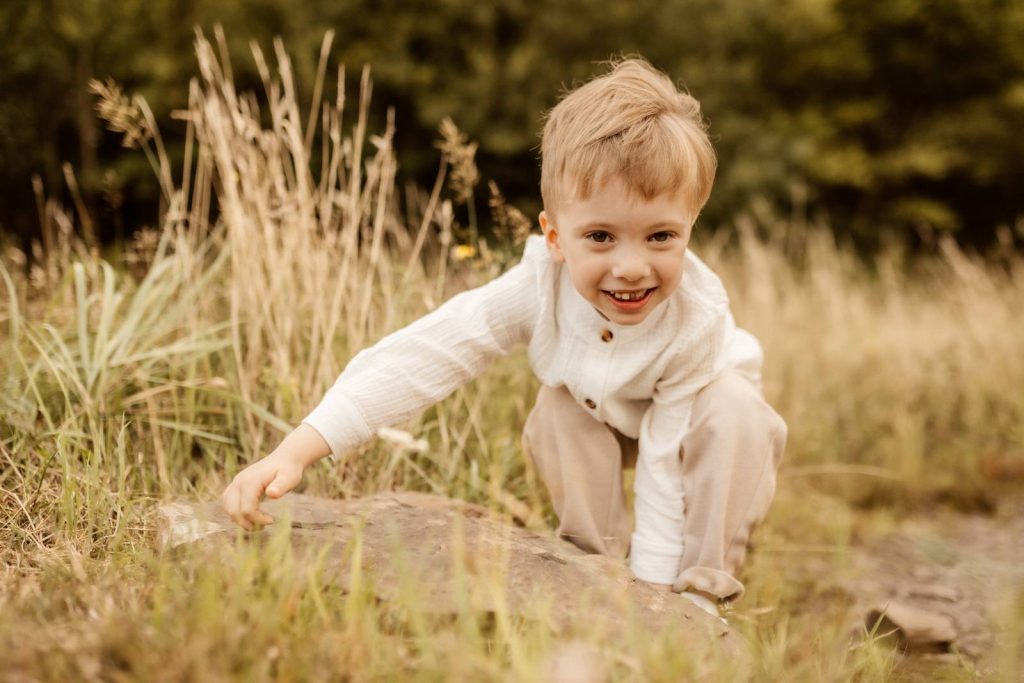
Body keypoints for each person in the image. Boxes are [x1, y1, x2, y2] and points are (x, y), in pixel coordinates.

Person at [221, 56, 787, 623]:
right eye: (600, 236)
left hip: (700, 428)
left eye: (661, 235)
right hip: (603, 413)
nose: (632, 266)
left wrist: (661, 600)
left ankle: (701, 592)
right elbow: (429, 353)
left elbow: (665, 465)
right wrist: (298, 448)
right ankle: (598, 568)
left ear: (691, 224)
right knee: (557, 410)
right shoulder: (537, 287)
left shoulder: (697, 317)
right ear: (555, 237)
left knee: (735, 411)